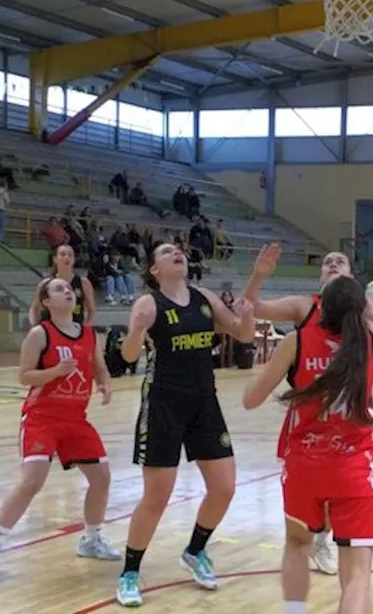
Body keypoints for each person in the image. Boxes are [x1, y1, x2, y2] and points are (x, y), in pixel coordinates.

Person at [242, 276, 373, 614]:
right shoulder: (371, 342)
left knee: (296, 545)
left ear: (321, 306)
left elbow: (251, 400)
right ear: (361, 310)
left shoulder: (295, 342)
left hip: (303, 467)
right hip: (352, 470)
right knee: (356, 575)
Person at [115, 242, 256, 606]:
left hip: (204, 402)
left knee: (224, 488)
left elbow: (243, 334)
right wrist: (135, 333)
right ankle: (130, 571)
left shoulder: (204, 297)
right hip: (163, 404)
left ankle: (195, 551)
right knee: (157, 496)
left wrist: (249, 310)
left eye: (178, 250)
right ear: (154, 270)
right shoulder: (148, 304)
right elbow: (129, 356)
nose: (176, 253)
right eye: (165, 252)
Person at [0, 278, 118, 582]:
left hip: (75, 419)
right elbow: (24, 376)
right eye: (58, 289)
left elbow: (98, 367)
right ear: (46, 302)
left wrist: (104, 383)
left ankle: (91, 539)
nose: (67, 291)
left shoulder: (90, 334)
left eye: (69, 288)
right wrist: (54, 372)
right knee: (32, 481)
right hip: (42, 417)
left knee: (101, 478)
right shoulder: (40, 334)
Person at [29, 244, 96, 328]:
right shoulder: (45, 283)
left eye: (70, 255)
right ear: (55, 259)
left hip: (74, 329)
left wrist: (86, 327)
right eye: (63, 254)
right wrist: (34, 326)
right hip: (51, 330)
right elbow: (35, 308)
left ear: (74, 260)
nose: (66, 257)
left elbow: (91, 310)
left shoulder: (84, 283)